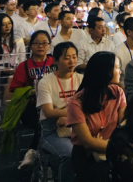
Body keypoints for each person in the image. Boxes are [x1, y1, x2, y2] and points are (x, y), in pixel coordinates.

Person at [67, 52, 126, 181]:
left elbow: (124, 126)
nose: (120, 72)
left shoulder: (118, 93)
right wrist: (120, 148)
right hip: (87, 156)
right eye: (117, 67)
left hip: (114, 151)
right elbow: (88, 142)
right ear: (105, 71)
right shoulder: (76, 102)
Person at [8, 30, 57, 166]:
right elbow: (15, 90)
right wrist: (33, 91)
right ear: (30, 46)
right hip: (31, 106)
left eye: (44, 43)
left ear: (49, 45)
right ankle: (44, 162)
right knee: (43, 124)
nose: (41, 46)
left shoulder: (55, 62)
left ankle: (33, 152)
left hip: (55, 105)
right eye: (37, 43)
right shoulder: (23, 66)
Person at [37, 42, 83, 182]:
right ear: (55, 60)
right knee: (69, 153)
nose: (72, 61)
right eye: (67, 58)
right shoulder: (46, 82)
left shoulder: (81, 79)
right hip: (52, 131)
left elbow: (88, 107)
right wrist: (72, 114)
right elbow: (48, 112)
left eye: (74, 57)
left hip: (79, 127)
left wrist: (69, 116)